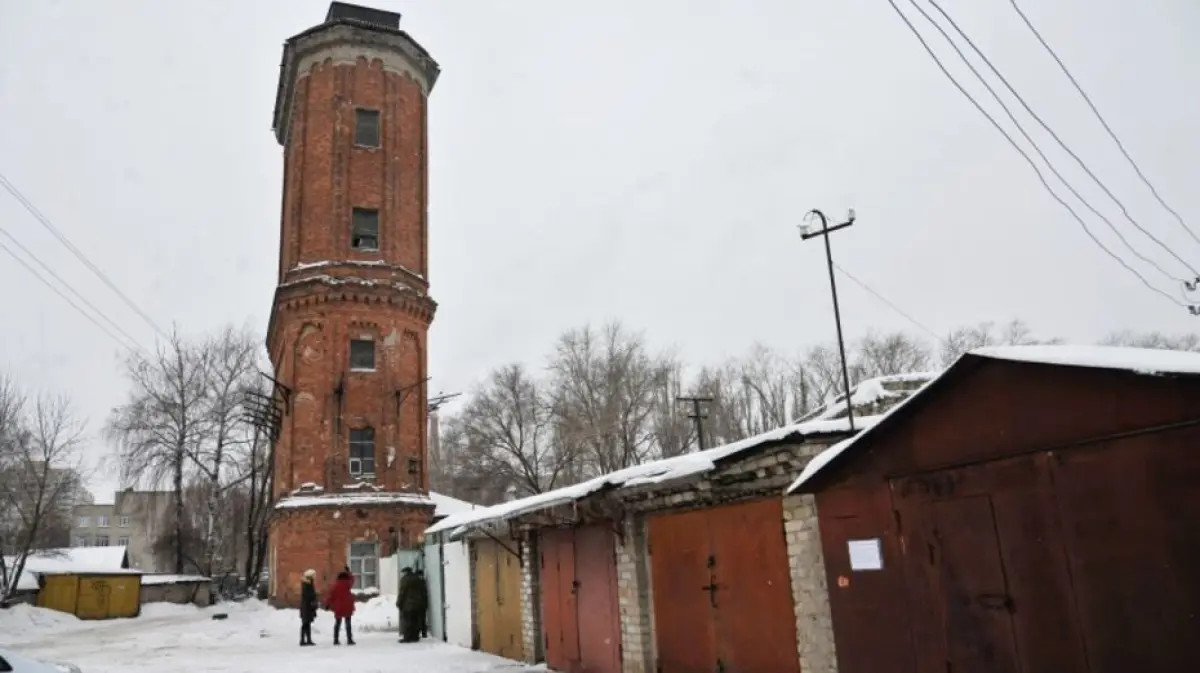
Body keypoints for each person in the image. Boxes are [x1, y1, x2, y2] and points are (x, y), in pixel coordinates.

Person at [324, 566, 356, 646]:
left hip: (338, 607)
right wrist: (349, 572)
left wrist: (327, 604)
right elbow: (352, 580)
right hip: (347, 606)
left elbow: (330, 596)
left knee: (337, 623)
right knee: (348, 623)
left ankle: (336, 639)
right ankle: (349, 639)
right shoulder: (348, 584)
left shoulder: (335, 585)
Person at [396, 566, 428, 642]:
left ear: (405, 572)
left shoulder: (405, 580)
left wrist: (398, 603)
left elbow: (402, 592)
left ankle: (407, 638)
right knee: (415, 621)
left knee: (407, 621)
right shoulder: (418, 579)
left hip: (408, 604)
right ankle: (415, 637)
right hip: (419, 604)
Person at [299, 569, 319, 647]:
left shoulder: (307, 582)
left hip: (306, 606)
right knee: (305, 623)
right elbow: (308, 595)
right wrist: (314, 599)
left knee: (307, 623)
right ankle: (304, 640)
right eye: (314, 575)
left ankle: (306, 640)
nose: (315, 576)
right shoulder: (308, 583)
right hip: (307, 606)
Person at [414, 568, 430, 638]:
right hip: (422, 603)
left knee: (418, 619)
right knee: (422, 619)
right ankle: (424, 633)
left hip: (418, 603)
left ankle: (419, 633)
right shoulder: (423, 582)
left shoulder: (416, 582)